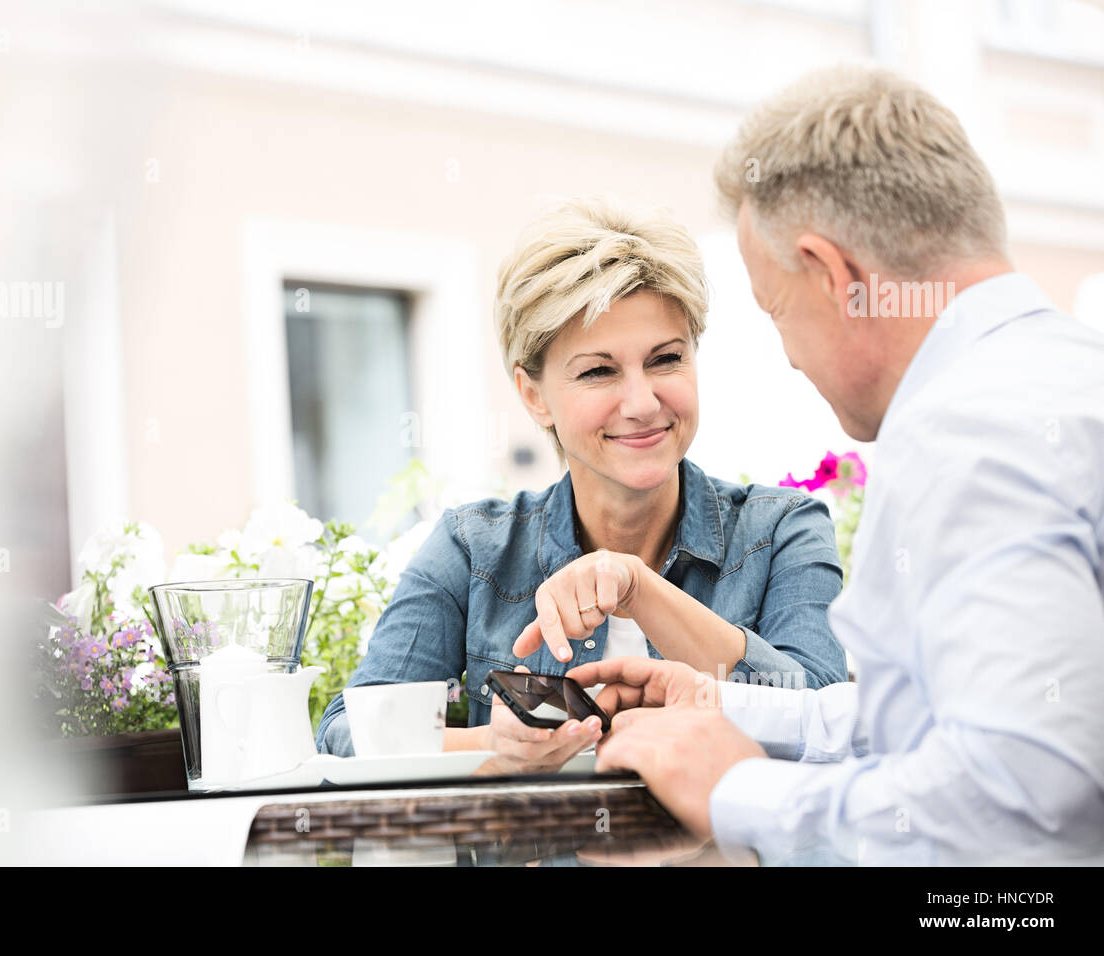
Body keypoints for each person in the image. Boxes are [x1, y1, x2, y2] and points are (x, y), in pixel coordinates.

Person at [572, 65, 1104, 865]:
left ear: (836, 275)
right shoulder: (1059, 376)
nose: (788, 357)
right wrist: (731, 710)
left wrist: (738, 788)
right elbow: (960, 718)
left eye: (777, 310)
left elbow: (1018, 793)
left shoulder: (968, 432)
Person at [316, 197, 848, 772]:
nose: (643, 403)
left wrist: (638, 588)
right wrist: (493, 745)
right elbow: (347, 728)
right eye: (599, 371)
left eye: (666, 359)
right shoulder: (474, 547)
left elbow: (825, 719)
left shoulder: (781, 530)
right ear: (533, 395)